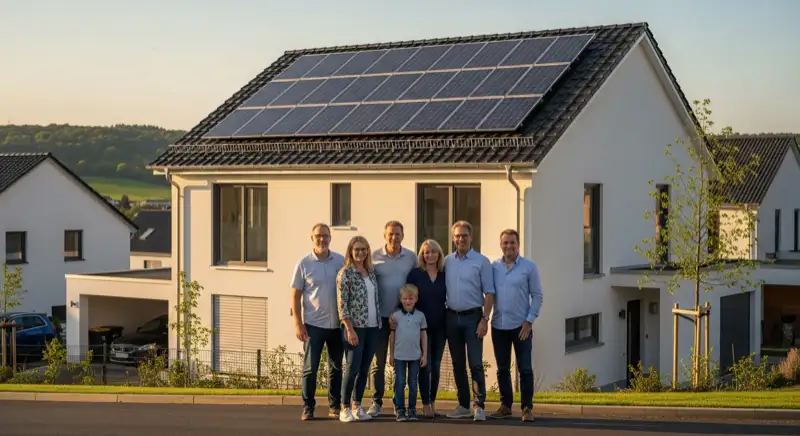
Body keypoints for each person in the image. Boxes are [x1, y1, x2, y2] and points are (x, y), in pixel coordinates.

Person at [290, 223, 346, 421]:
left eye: (325, 236)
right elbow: (295, 296)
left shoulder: (340, 261)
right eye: (318, 236)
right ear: (312, 238)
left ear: (330, 237)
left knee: (336, 368)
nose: (322, 239)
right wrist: (298, 323)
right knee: (310, 369)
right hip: (313, 325)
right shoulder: (303, 263)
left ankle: (334, 406)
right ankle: (308, 407)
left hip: (337, 325)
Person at [489, 229, 543, 423]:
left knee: (525, 369)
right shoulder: (493, 267)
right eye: (505, 242)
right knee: (502, 368)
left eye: (512, 242)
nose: (508, 246)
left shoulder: (529, 267)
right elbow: (488, 294)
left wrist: (529, 321)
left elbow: (537, 295)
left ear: (518, 245)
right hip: (499, 326)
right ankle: (505, 406)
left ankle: (527, 408)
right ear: (500, 244)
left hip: (522, 326)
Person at [443, 220, 494, 421]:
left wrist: (485, 319)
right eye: (457, 236)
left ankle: (479, 406)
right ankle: (463, 405)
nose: (461, 239)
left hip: (473, 318)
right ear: (453, 238)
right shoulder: (447, 261)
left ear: (471, 237)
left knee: (475, 363)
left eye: (464, 235)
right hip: (451, 317)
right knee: (457, 364)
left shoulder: (482, 261)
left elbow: (489, 293)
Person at [368, 221, 417, 417]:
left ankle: (398, 403)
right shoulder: (374, 257)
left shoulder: (411, 258)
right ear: (384, 235)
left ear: (403, 236)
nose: (394, 238)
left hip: (401, 319)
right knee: (378, 363)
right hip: (379, 319)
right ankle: (376, 402)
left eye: (397, 234)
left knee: (398, 362)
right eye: (390, 234)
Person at [336, 235, 382, 423]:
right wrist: (349, 328)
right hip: (355, 328)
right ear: (351, 251)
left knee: (364, 369)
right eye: (357, 250)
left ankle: (357, 405)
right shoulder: (345, 273)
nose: (361, 253)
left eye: (364, 249)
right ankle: (344, 407)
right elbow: (342, 304)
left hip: (373, 326)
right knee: (352, 368)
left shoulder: (370, 272)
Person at [405, 239, 447, 418]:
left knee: (436, 366)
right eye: (426, 252)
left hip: (440, 326)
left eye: (433, 252)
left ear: (439, 254)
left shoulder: (445, 274)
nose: (429, 255)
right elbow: (406, 297)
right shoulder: (415, 274)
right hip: (421, 328)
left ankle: (433, 400)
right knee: (425, 365)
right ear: (422, 255)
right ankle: (426, 403)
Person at [388, 284, 428, 422]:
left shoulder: (420, 316)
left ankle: (412, 409)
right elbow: (392, 336)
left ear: (416, 299)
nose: (408, 301)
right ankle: (400, 409)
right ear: (401, 299)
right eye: (405, 299)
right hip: (399, 355)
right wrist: (391, 354)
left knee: (413, 382)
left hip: (415, 356)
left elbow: (424, 336)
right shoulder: (395, 316)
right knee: (400, 382)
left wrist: (425, 355)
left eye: (411, 298)